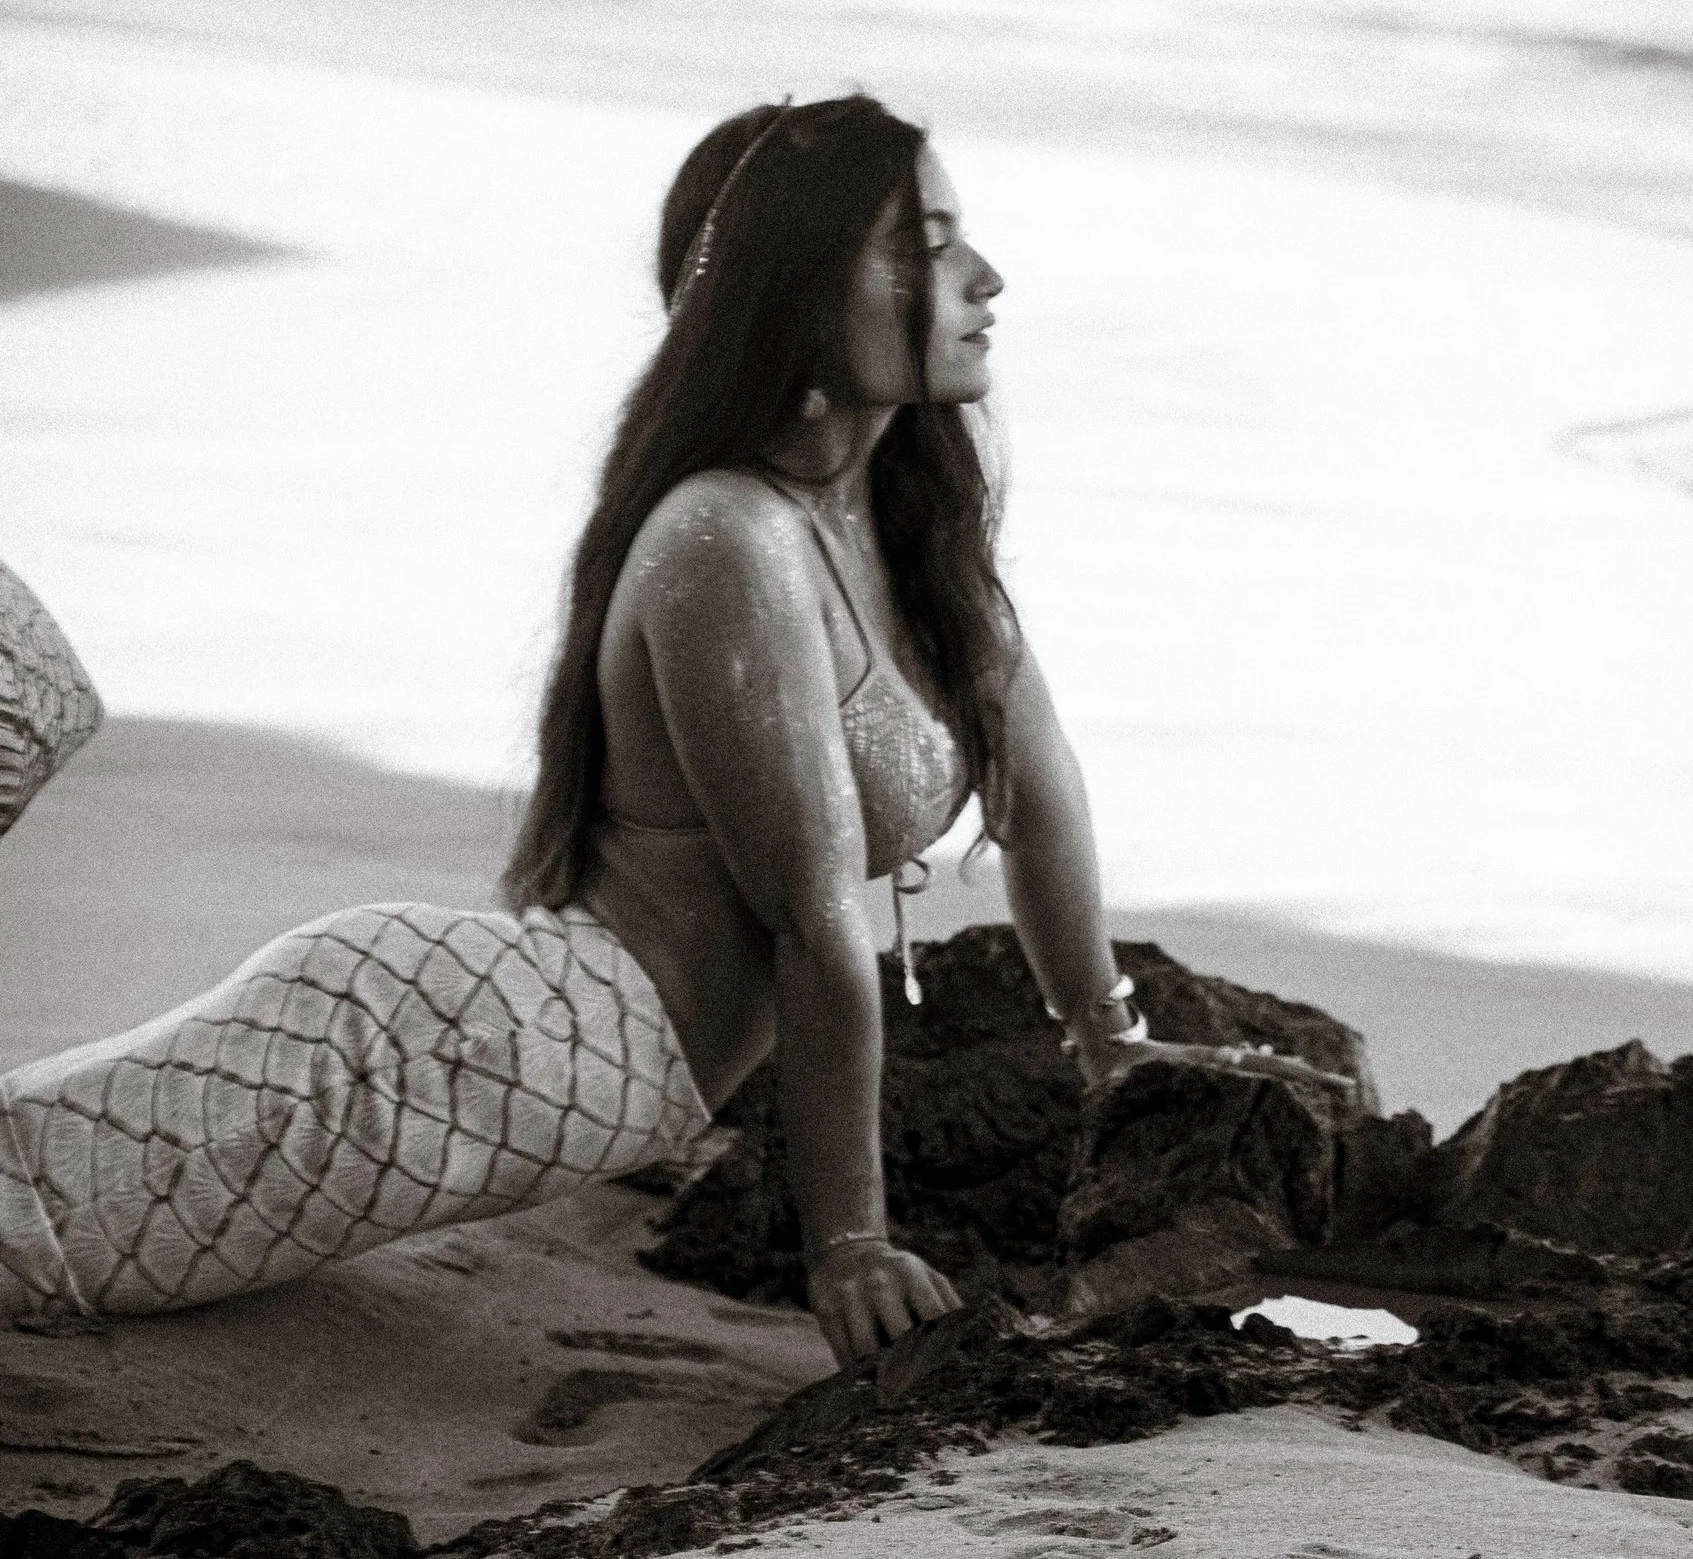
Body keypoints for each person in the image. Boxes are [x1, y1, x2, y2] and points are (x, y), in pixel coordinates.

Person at [0, 95, 1347, 1366]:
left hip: (546, 1079)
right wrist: (852, 1243)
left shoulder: (899, 531)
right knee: (32, 1228)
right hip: (440, 1049)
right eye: (930, 247)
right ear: (806, 297)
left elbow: (1039, 780)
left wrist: (1106, 1037)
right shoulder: (728, 538)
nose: (986, 276)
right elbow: (812, 922)